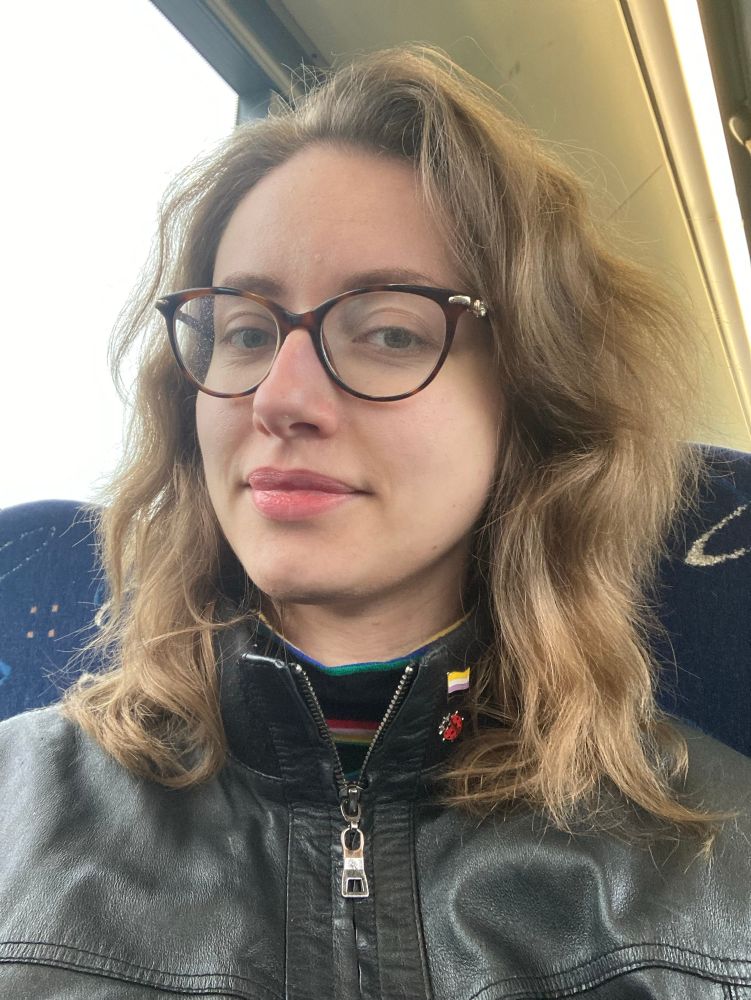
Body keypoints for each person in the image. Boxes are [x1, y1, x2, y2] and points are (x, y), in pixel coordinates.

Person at [1, 44, 749, 999]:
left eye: (390, 331)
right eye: (243, 331)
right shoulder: (14, 809)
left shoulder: (717, 861)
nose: (280, 398)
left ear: (530, 399)